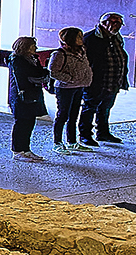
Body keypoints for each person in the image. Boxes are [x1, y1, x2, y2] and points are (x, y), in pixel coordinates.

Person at [80, 13, 129, 145]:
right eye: (113, 23)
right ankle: (85, 135)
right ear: (104, 23)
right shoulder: (90, 38)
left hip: (113, 81)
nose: (116, 26)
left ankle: (103, 133)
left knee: (105, 108)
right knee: (89, 108)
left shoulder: (116, 38)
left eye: (118, 23)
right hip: (96, 82)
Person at [47, 26, 92, 153]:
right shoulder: (59, 54)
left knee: (74, 115)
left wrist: (86, 78)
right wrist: (70, 79)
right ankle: (57, 142)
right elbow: (53, 72)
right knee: (62, 115)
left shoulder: (82, 50)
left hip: (79, 86)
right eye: (78, 36)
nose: (81, 39)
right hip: (65, 88)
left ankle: (72, 141)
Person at [7, 35, 50, 160]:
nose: (35, 48)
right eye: (32, 46)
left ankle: (26, 149)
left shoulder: (32, 58)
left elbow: (40, 72)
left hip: (32, 94)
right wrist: (41, 74)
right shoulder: (16, 60)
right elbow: (30, 74)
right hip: (21, 95)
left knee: (30, 123)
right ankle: (18, 150)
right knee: (21, 123)